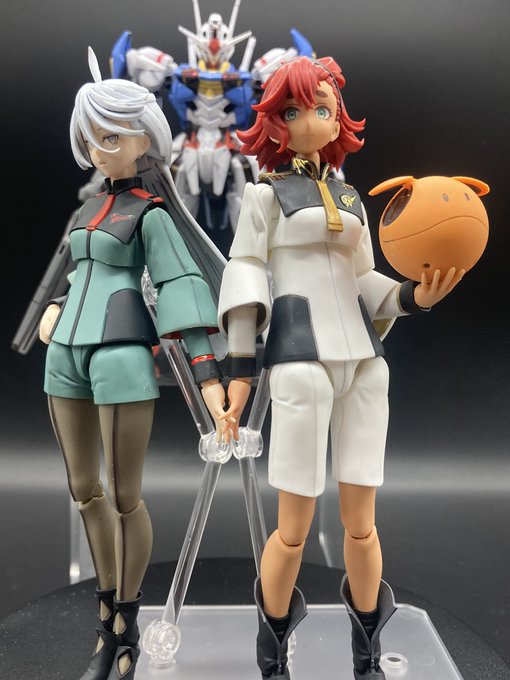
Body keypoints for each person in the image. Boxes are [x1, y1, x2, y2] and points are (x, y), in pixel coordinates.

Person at [216, 55, 464, 679]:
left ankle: (367, 653)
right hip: (300, 358)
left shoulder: (351, 197)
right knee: (293, 529)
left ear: (338, 119)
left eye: (321, 107)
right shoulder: (265, 195)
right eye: (293, 109)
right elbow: (245, 275)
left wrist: (413, 297)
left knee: (362, 525)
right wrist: (241, 373)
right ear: (275, 120)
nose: (308, 119)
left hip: (364, 362)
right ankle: (273, 656)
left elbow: (365, 283)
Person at [39, 47, 227, 680]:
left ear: (144, 138)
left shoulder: (151, 214)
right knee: (82, 490)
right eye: (91, 136)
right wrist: (57, 304)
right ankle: (104, 616)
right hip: (65, 353)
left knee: (123, 496)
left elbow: (180, 288)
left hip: (121, 354)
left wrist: (207, 375)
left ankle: (126, 625)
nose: (99, 148)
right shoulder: (89, 209)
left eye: (111, 136)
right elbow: (82, 271)